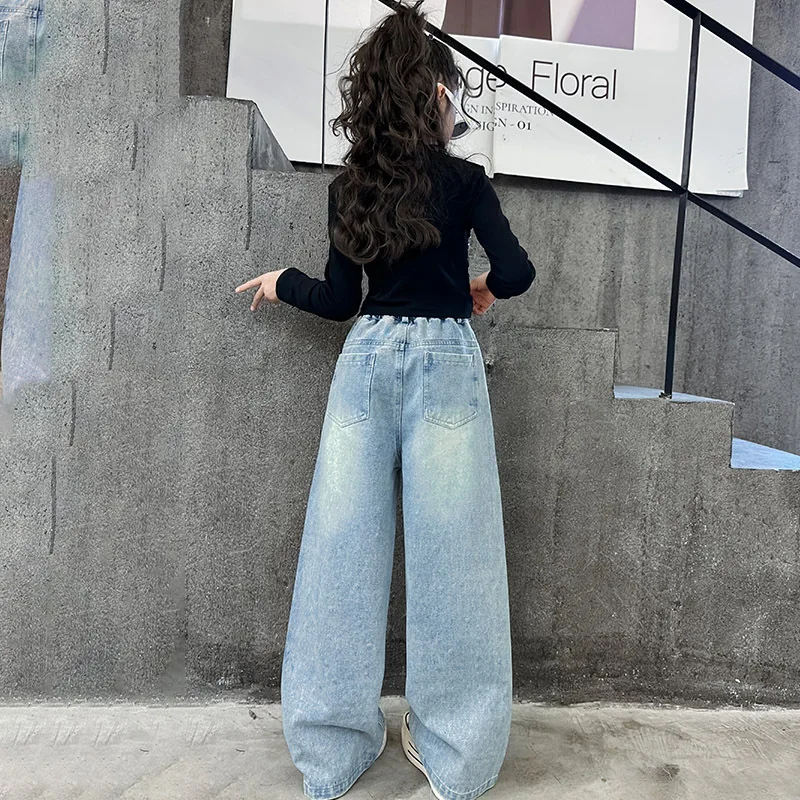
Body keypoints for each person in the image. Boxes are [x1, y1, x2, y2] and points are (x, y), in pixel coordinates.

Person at [235, 3, 535, 799]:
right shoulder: (465, 182)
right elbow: (517, 272)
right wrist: (480, 286)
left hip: (366, 361)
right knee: (456, 559)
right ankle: (459, 761)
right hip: (446, 364)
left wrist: (282, 282)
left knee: (341, 551)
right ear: (434, 93)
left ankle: (331, 756)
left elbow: (340, 300)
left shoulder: (351, 187)